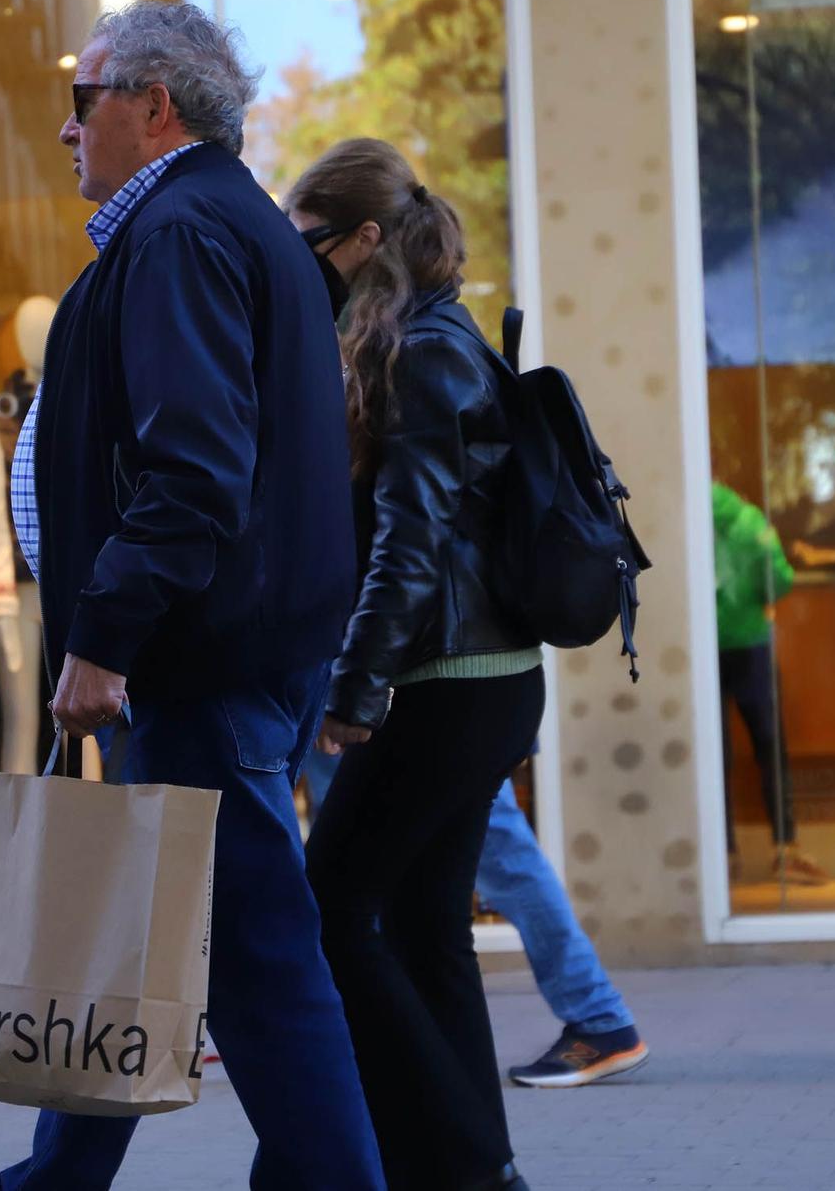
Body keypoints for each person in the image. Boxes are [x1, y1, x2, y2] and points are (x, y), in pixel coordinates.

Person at [0, 2, 385, 1191]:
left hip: (200, 663)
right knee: (140, 935)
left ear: (150, 105)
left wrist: (103, 635)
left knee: (259, 961)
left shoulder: (179, 233)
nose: (66, 130)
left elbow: (191, 471)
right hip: (227, 656)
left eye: (83, 99)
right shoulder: (228, 223)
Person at [288, 137, 539, 1191]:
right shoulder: (436, 333)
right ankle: (469, 1164)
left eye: (312, 243)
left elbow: (410, 536)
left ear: (366, 238)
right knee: (428, 921)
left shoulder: (421, 349)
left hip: (446, 685)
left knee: (333, 908)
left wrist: (354, 687)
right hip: (475, 681)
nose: (302, 262)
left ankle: (464, 1162)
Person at [297, 746, 648, 1088]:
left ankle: (599, 1019)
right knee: (488, 859)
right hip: (446, 708)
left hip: (399, 710)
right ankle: (598, 1019)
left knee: (354, 873)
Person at [712, 482, 827, 885]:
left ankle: (721, 852)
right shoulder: (749, 521)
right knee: (769, 744)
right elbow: (778, 579)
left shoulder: (688, 515)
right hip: (750, 644)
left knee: (715, 755)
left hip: (705, 645)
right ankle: (784, 847)